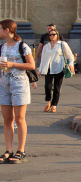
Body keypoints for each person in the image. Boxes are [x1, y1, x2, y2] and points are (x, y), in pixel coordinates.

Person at [0, 19, 34, 163]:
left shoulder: (22, 46)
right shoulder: (2, 47)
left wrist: (12, 64)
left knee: (19, 119)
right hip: (4, 84)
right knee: (7, 119)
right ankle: (8, 150)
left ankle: (21, 151)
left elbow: (31, 65)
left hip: (19, 83)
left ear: (7, 30)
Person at [36, 29, 73, 114]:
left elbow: (70, 55)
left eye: (54, 34)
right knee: (47, 86)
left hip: (59, 68)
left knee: (57, 87)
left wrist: (71, 64)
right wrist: (40, 70)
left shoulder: (62, 44)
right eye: (50, 35)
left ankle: (54, 105)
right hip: (48, 68)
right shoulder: (46, 46)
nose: (52, 36)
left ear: (57, 35)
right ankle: (48, 103)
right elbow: (43, 59)